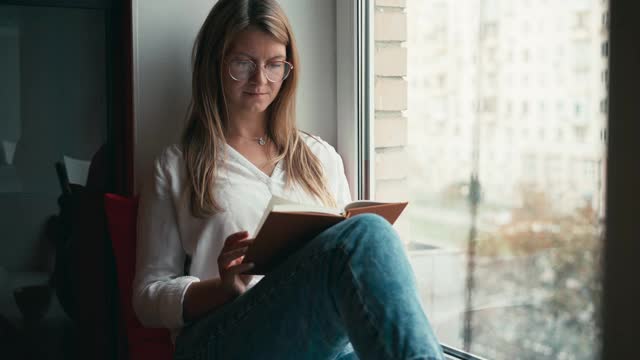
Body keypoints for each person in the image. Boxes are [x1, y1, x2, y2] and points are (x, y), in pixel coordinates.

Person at [132, 0, 444, 359]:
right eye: (242, 63)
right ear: (213, 64)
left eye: (274, 64)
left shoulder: (320, 157)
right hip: (221, 336)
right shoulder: (176, 166)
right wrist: (222, 287)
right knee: (369, 233)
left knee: (368, 246)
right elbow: (147, 297)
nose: (260, 79)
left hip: (314, 339)